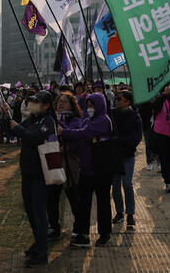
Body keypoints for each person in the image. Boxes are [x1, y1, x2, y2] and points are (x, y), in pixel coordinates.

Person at [6, 91, 55, 268]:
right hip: (27, 171)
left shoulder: (47, 121)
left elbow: (33, 138)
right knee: (30, 210)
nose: (33, 104)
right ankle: (39, 243)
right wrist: (7, 117)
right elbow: (16, 131)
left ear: (46, 105)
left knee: (39, 212)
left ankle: (42, 251)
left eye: (37, 101)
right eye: (32, 101)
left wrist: (16, 128)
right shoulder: (33, 119)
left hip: (40, 174)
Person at [60, 93, 114, 248]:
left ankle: (104, 233)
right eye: (88, 106)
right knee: (84, 203)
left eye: (92, 106)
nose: (90, 109)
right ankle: (83, 235)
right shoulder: (86, 120)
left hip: (101, 169)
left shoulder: (103, 121)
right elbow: (79, 142)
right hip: (86, 169)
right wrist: (68, 146)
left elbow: (84, 134)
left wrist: (63, 131)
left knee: (102, 202)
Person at [46, 91, 81, 241]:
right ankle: (54, 227)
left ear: (72, 105)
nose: (61, 103)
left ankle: (79, 226)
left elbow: (76, 137)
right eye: (59, 101)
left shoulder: (75, 119)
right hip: (55, 159)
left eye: (65, 101)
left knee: (72, 194)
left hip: (68, 160)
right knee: (52, 197)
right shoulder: (50, 119)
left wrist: (62, 130)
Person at [110, 90, 142, 231]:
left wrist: (121, 141)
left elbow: (136, 137)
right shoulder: (111, 115)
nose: (117, 101)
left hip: (128, 155)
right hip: (114, 156)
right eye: (116, 98)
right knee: (115, 186)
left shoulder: (135, 118)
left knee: (127, 184)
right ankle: (119, 212)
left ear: (127, 101)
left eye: (120, 99)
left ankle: (130, 214)